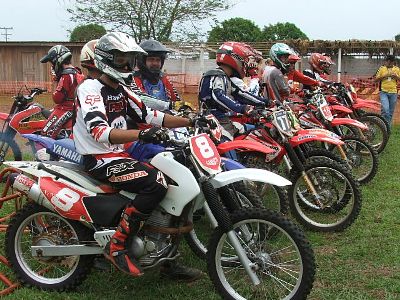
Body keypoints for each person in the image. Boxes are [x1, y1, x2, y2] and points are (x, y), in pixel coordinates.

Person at [73, 32, 202, 281]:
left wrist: (191, 120)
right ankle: (117, 246)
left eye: (130, 59)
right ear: (106, 59)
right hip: (99, 158)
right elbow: (99, 131)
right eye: (122, 59)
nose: (128, 65)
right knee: (154, 184)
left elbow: (150, 115)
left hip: (117, 156)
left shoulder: (120, 88)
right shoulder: (90, 88)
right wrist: (142, 136)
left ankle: (166, 259)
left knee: (175, 183)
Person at [198, 41, 270, 137]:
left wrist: (265, 102)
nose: (246, 63)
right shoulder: (216, 74)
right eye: (245, 60)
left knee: (256, 131)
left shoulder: (225, 77)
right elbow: (218, 96)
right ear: (235, 58)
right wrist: (243, 108)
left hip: (222, 119)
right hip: (213, 121)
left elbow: (241, 94)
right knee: (229, 146)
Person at [40, 45, 84, 138]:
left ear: (57, 60)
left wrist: (55, 81)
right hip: (75, 108)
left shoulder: (66, 75)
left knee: (45, 135)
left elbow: (57, 98)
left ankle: (46, 152)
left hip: (66, 109)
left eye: (52, 63)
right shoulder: (77, 71)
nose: (52, 66)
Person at [132, 39, 181, 109]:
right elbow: (141, 100)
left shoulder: (164, 78)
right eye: (151, 59)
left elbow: (176, 100)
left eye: (158, 60)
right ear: (142, 61)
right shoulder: (133, 79)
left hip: (166, 117)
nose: (155, 63)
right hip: (142, 117)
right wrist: (169, 105)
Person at [374, 54, 400, 125]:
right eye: (387, 61)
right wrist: (384, 76)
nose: (388, 63)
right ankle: (383, 125)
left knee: (390, 112)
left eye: (390, 61)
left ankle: (387, 127)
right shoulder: (382, 68)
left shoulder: (397, 69)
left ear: (393, 62)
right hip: (383, 92)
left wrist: (396, 77)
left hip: (394, 92)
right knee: (385, 109)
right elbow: (375, 80)